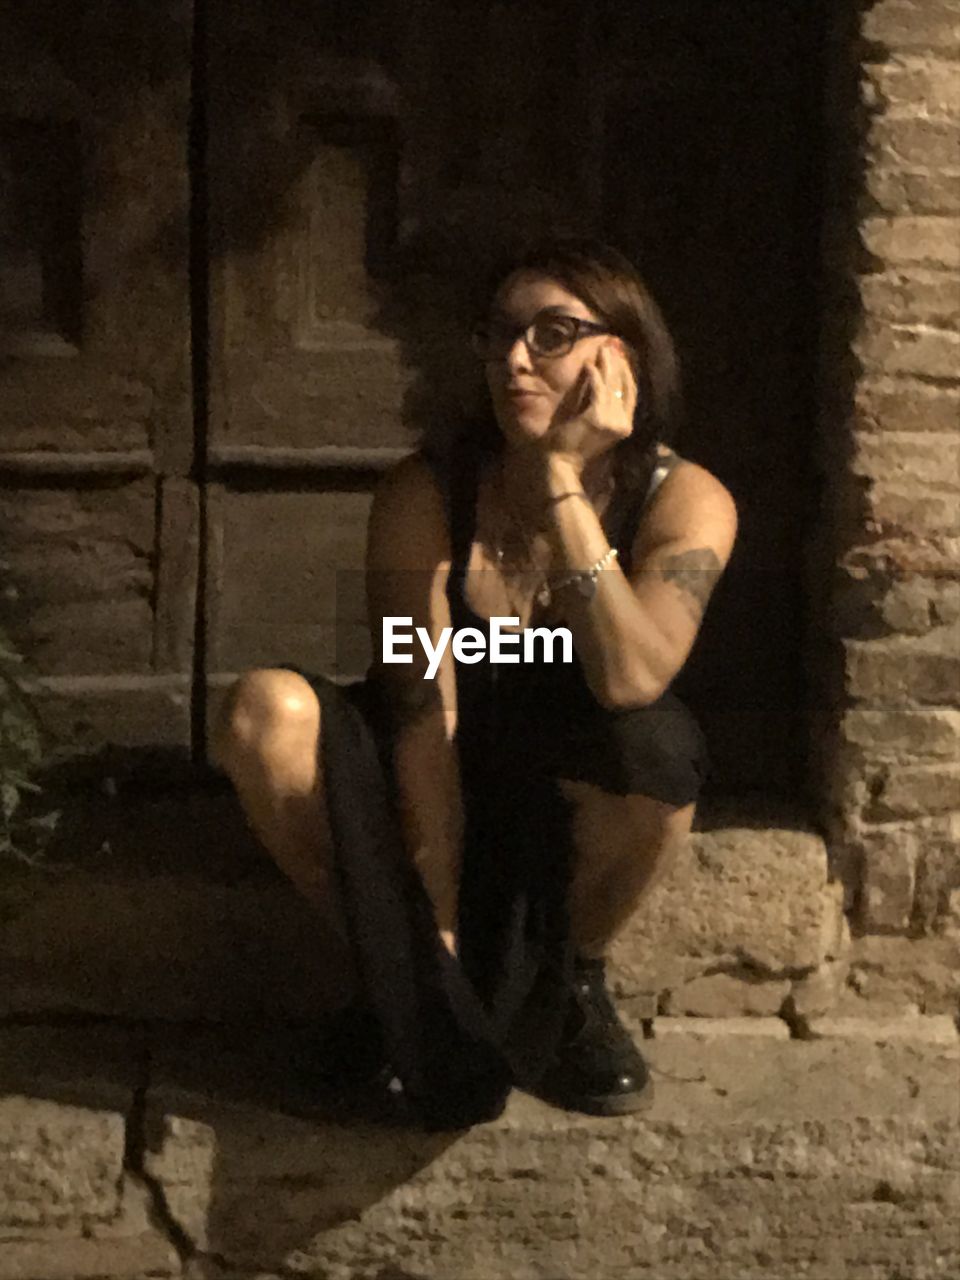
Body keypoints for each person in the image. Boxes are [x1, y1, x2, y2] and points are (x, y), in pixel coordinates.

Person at [213, 237, 738, 1129]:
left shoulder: (686, 499)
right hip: (436, 768)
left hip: (562, 789)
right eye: (498, 335)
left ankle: (572, 984)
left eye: (553, 332)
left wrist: (559, 483)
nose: (514, 358)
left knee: (658, 754)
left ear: (625, 355)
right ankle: (401, 982)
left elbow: (629, 676)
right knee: (264, 713)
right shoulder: (426, 491)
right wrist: (436, 934)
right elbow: (420, 704)